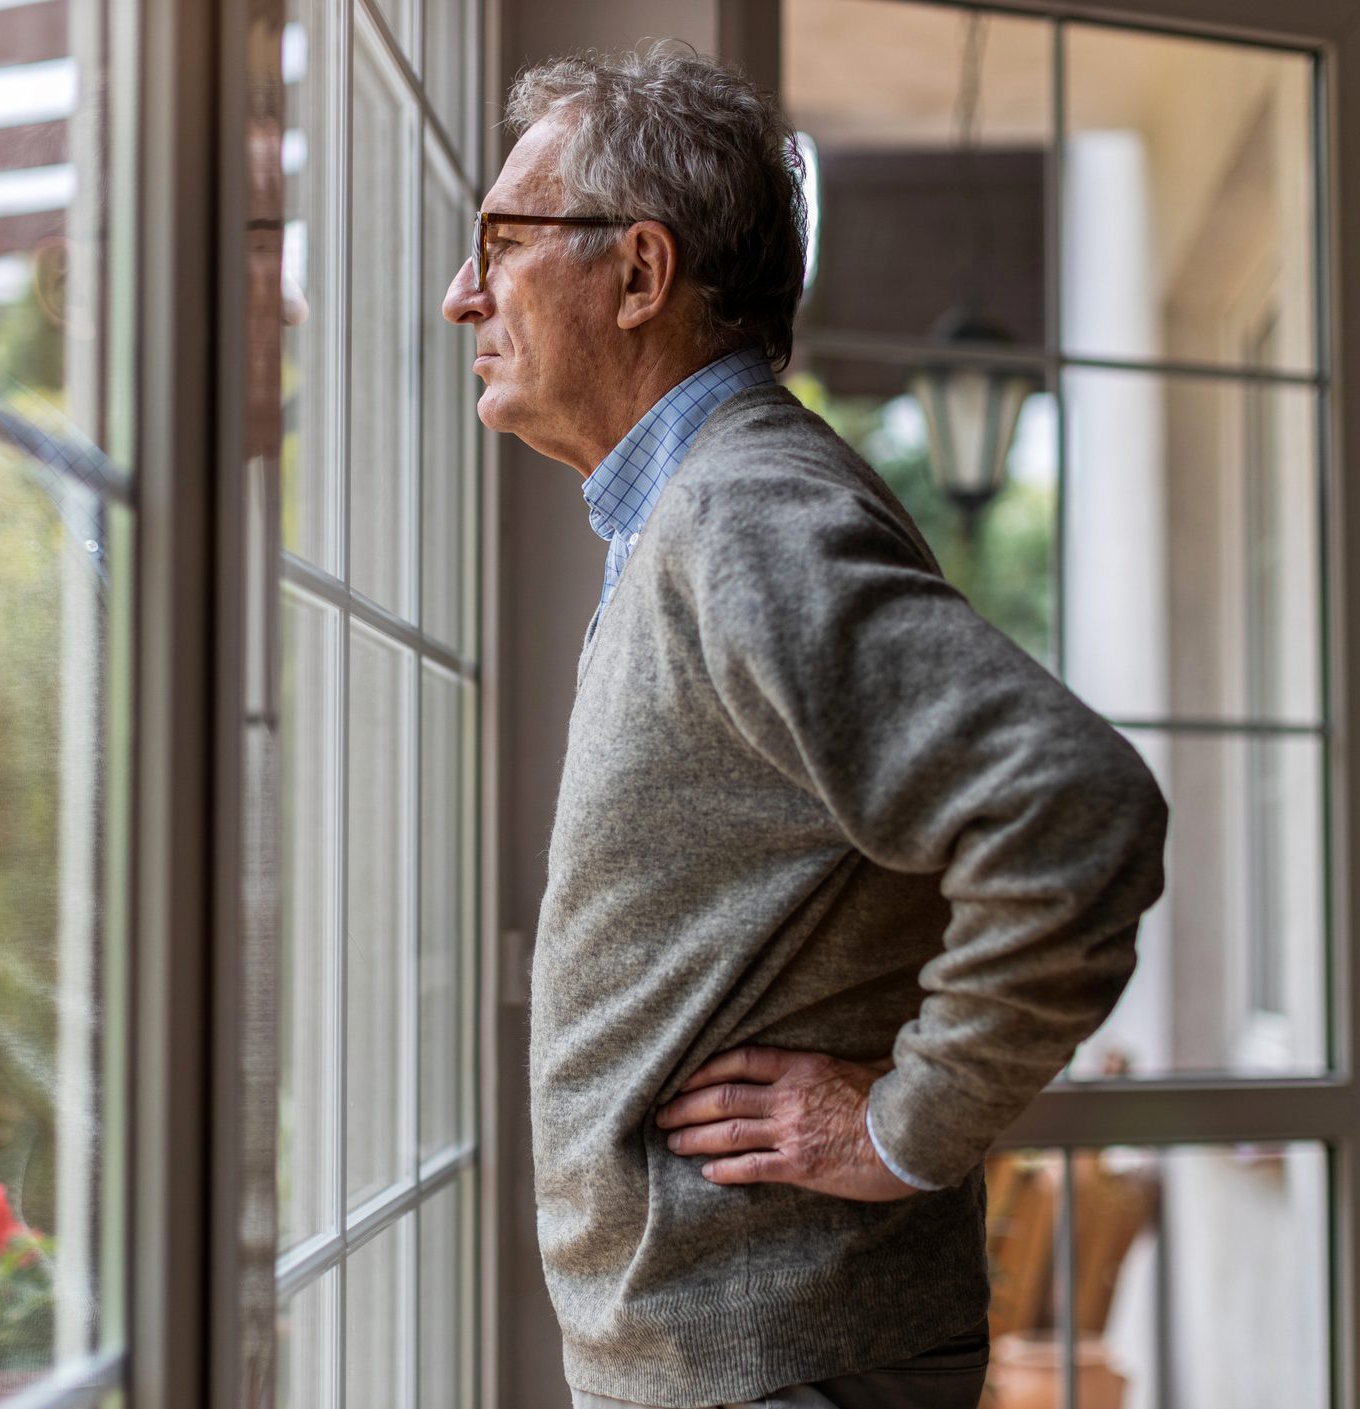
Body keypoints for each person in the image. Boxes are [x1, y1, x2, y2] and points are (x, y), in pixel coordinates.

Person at [440, 43, 1170, 1409]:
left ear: (639, 273)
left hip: (780, 1367)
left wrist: (903, 1126)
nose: (460, 293)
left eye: (501, 240)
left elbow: (1080, 807)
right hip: (758, 1356)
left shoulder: (745, 516)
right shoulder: (698, 516)